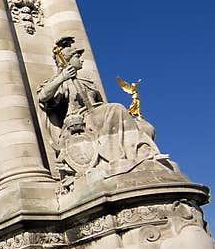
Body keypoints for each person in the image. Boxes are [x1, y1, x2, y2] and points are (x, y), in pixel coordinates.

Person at [37, 37, 164, 177]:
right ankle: (132, 154)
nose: (82, 60)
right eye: (77, 57)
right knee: (116, 109)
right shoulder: (62, 82)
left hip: (98, 115)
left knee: (145, 126)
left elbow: (101, 104)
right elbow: (43, 96)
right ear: (67, 60)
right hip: (82, 119)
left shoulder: (87, 81)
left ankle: (142, 154)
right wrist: (62, 78)